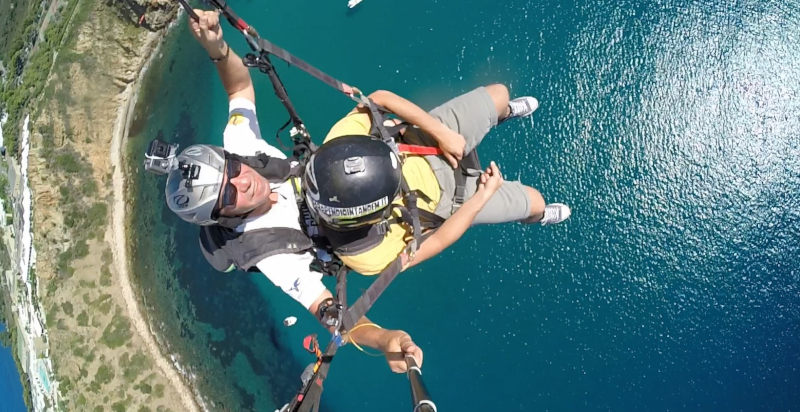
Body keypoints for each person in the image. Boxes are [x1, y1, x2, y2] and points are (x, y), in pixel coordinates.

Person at [162, 10, 422, 373]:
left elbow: (238, 89)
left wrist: (217, 47)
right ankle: (532, 210)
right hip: (355, 230)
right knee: (422, 235)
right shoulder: (269, 254)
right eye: (228, 195)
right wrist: (386, 340)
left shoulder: (240, 145)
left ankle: (491, 116)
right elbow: (332, 315)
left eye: (232, 169)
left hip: (340, 177)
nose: (243, 180)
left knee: (385, 122)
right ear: (221, 215)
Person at [304, 86, 571, 276]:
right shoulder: (365, 255)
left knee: (500, 94)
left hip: (423, 142)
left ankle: (502, 114)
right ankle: (537, 216)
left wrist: (442, 133)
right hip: (450, 202)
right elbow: (438, 241)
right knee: (536, 203)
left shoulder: (339, 150)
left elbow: (379, 99)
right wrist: (481, 198)